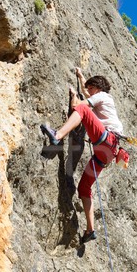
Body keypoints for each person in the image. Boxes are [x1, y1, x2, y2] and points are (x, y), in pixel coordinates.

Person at [41, 72, 124, 244]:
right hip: (107, 153)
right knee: (84, 188)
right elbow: (87, 93)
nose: (89, 92)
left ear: (99, 88)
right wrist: (80, 77)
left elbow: (82, 104)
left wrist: (73, 95)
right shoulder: (103, 100)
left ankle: (58, 135)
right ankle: (90, 229)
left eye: (92, 88)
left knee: (83, 109)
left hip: (107, 140)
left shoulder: (103, 96)